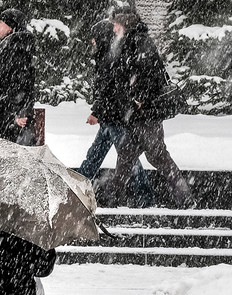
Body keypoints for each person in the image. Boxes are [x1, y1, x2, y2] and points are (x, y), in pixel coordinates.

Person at [106, 8, 195, 208]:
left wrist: (140, 100)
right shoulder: (131, 41)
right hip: (136, 114)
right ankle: (112, 198)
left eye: (115, 24)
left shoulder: (139, 41)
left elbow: (148, 74)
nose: (113, 29)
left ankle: (185, 198)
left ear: (124, 22)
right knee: (126, 156)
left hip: (145, 114)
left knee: (158, 157)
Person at [80, 20, 156, 208]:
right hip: (111, 117)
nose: (92, 41)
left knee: (126, 157)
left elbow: (109, 89)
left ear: (101, 38)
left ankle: (145, 196)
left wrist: (96, 112)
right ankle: (78, 185)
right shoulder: (109, 55)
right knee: (96, 156)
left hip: (114, 117)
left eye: (94, 37)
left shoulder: (110, 58)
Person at [0, 8, 37, 145]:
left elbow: (23, 83)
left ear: (10, 27)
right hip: (3, 115)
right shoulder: (9, 47)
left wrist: (21, 111)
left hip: (7, 117)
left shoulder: (16, 50)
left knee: (6, 158)